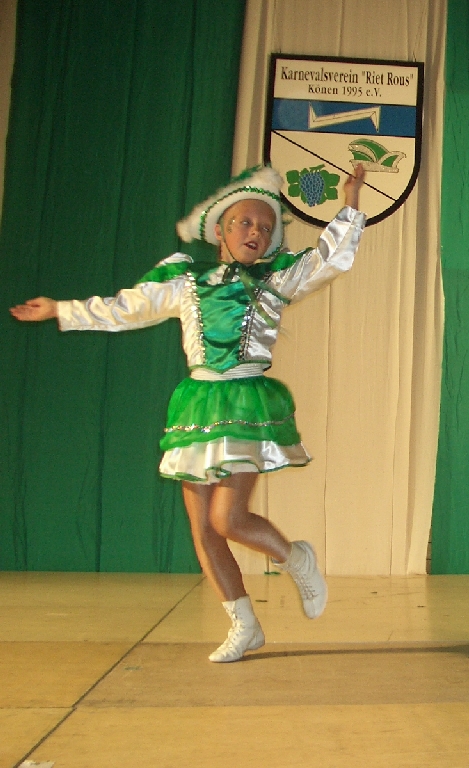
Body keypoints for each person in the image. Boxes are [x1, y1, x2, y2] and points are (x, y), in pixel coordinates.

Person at [10, 164, 367, 662]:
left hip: (244, 403)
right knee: (203, 530)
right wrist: (62, 309)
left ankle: (295, 557)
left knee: (227, 518)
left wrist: (351, 202)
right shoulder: (185, 280)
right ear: (220, 230)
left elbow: (331, 258)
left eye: (266, 227)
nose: (256, 233)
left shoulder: (275, 278)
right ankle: (244, 625)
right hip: (197, 404)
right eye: (245, 222)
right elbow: (127, 308)